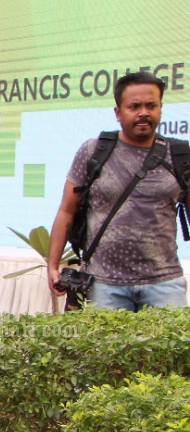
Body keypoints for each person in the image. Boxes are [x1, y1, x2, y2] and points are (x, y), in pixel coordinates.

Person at [47, 71, 188, 311]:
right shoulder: (93, 152)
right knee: (101, 350)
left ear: (160, 109)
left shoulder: (180, 156)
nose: (143, 112)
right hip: (103, 284)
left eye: (151, 105)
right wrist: (52, 265)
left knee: (169, 350)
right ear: (118, 112)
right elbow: (66, 211)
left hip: (164, 284)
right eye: (134, 106)